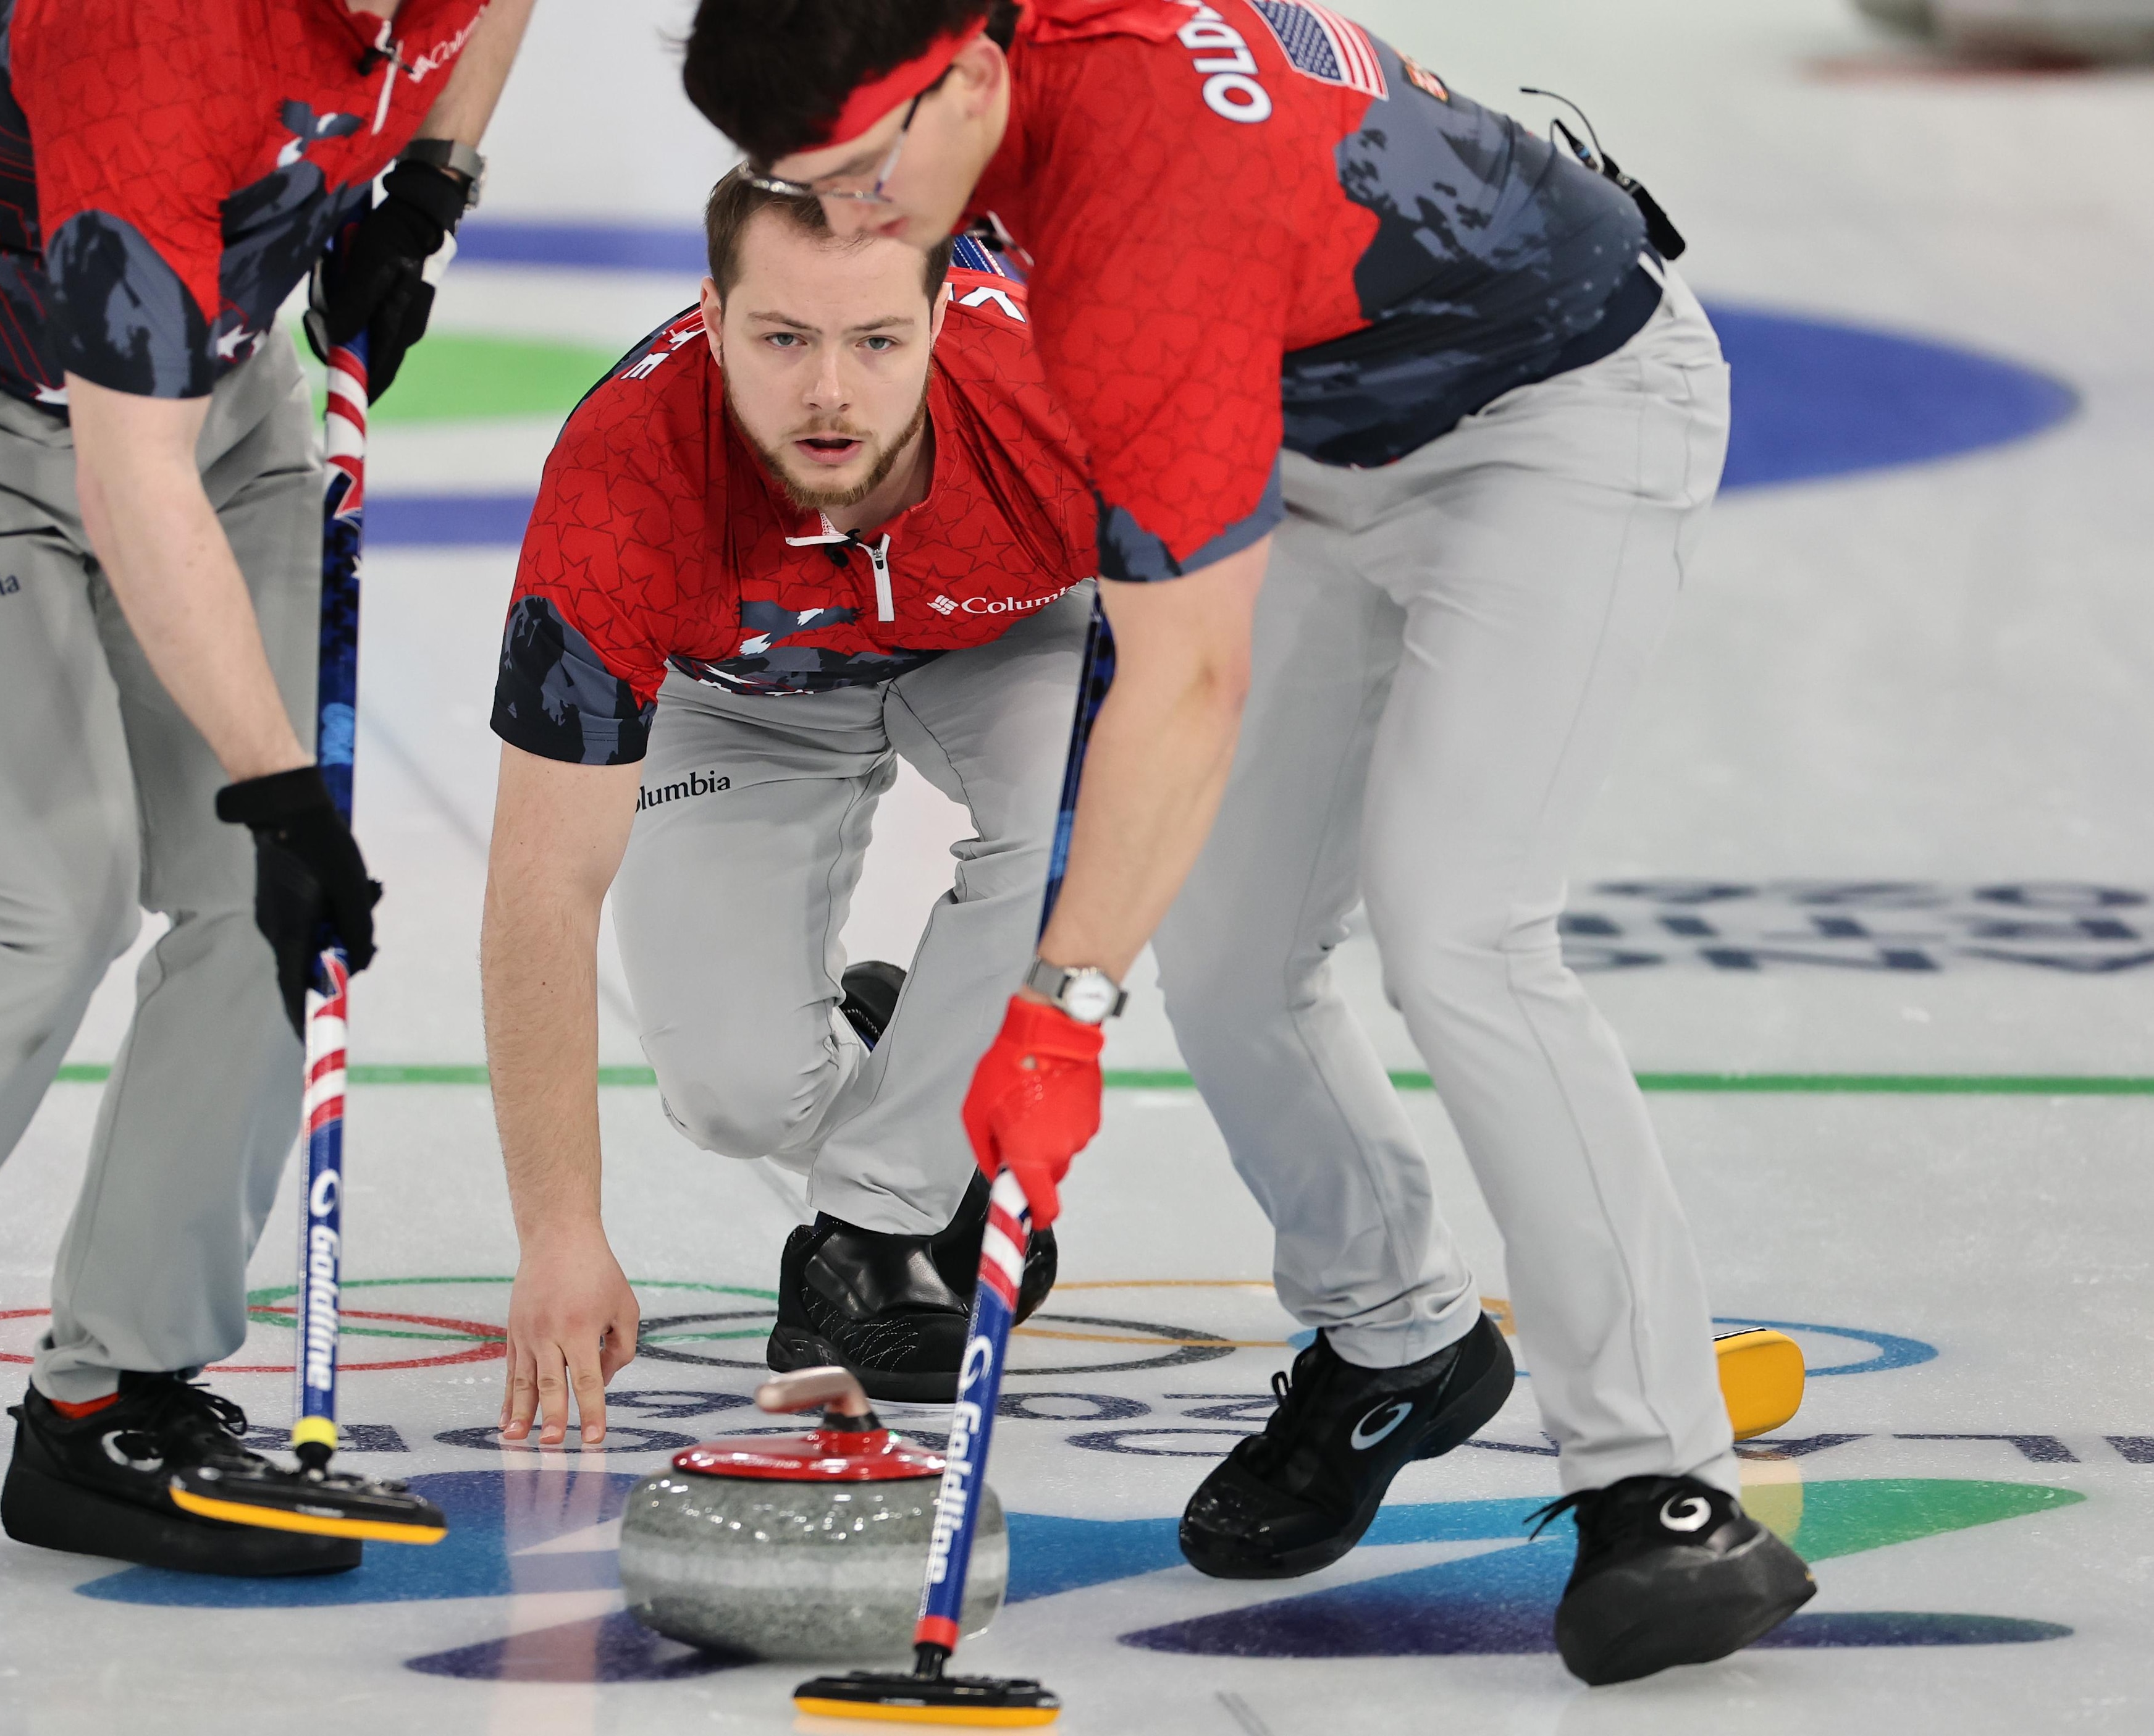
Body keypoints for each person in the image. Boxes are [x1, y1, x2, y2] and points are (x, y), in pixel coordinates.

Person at [681, 0, 1811, 1685]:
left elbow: (1187, 680)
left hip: (1562, 414)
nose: (845, 229)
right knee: (1224, 950)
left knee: (1461, 929)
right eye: (795, 185)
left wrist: (1057, 1010)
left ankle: (1662, 1481)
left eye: (859, 175)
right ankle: (1397, 1338)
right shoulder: (982, 78)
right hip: (1326, 414)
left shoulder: (1147, 207)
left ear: (973, 79)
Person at [0, 0, 537, 1592]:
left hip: (219, 382)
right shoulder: (151, 40)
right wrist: (277, 789)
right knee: (42, 903)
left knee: (256, 916)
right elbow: (135, 483)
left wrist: (427, 191)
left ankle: (114, 1399)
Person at [487, 171, 1100, 1443]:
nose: (829, 391)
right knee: (732, 1099)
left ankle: (883, 1229)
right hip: (747, 693)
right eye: (782, 338)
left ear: (942, 312)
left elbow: (1206, 684)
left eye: (876, 340)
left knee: (1096, 807)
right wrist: (558, 1233)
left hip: (1005, 633)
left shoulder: (1059, 392)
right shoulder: (621, 481)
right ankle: (923, 1067)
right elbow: (543, 881)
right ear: (710, 318)